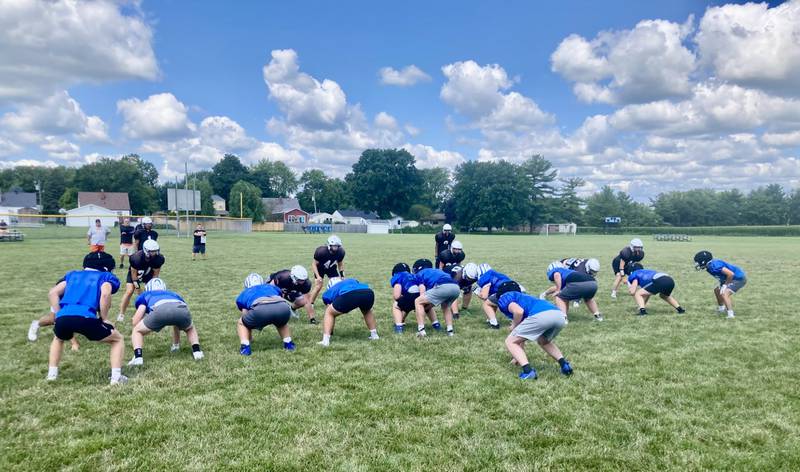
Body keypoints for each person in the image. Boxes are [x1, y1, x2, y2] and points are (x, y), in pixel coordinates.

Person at [45, 251, 127, 385]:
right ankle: (116, 378)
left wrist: (58, 314)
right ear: (106, 267)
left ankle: (52, 375)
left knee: (58, 338)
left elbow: (53, 292)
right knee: (117, 339)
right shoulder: (104, 276)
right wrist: (104, 318)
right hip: (86, 317)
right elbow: (106, 294)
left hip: (64, 317)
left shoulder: (72, 275)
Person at [495, 282, 573, 380]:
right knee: (543, 341)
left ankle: (528, 371)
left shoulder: (505, 297)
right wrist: (517, 357)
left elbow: (518, 311)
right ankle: (565, 365)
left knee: (510, 341)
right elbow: (521, 336)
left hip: (541, 315)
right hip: (559, 315)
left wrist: (513, 325)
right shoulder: (525, 298)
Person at [127, 278, 203, 366]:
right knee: (189, 328)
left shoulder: (145, 294)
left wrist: (141, 327)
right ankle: (196, 352)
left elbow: (136, 320)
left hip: (160, 310)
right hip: (181, 308)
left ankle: (138, 358)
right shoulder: (173, 294)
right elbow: (181, 307)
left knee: (137, 330)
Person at [235, 273, 296, 355]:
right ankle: (288, 343)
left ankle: (245, 347)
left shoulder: (245, 292)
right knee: (281, 322)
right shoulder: (271, 287)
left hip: (260, 308)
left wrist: (249, 337)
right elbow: (280, 296)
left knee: (242, 323)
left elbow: (245, 314)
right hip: (283, 307)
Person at [319, 277, 379, 347]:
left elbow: (330, 309)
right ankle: (374, 335)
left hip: (350, 294)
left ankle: (325, 341)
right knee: (366, 311)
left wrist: (330, 331)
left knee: (329, 312)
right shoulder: (351, 280)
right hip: (368, 292)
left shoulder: (329, 291)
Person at [117, 240, 165, 322]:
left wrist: (150, 287)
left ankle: (150, 312)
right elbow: (134, 275)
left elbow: (155, 275)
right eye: (152, 251)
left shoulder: (159, 258)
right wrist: (138, 288)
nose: (154, 253)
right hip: (136, 274)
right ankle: (121, 313)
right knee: (129, 291)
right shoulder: (136, 258)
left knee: (152, 293)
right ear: (146, 250)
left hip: (149, 274)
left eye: (155, 251)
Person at [694, 251, 746, 319]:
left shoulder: (715, 266)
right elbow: (723, 276)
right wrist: (723, 284)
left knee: (724, 293)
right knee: (717, 290)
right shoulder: (709, 266)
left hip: (738, 278)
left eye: (698, 262)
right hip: (729, 278)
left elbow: (731, 274)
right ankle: (721, 308)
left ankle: (731, 315)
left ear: (704, 261)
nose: (697, 264)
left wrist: (725, 285)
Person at [306, 235, 346, 323]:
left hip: (331, 267)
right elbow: (314, 264)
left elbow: (340, 263)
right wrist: (318, 276)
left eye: (337, 246)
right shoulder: (321, 251)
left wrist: (342, 275)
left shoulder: (341, 252)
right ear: (329, 245)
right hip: (320, 268)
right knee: (318, 285)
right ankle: (311, 303)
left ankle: (335, 302)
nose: (335, 248)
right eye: (334, 246)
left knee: (336, 284)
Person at [413, 264, 461, 337]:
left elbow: (422, 289)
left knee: (418, 301)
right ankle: (450, 331)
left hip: (443, 286)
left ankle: (421, 331)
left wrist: (422, 303)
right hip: (456, 287)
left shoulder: (419, 274)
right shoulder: (436, 271)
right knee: (446, 307)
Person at [390, 262, 438, 333]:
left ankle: (399, 326)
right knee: (428, 307)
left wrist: (401, 298)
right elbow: (422, 286)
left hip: (410, 296)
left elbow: (396, 295)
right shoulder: (414, 276)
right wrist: (422, 297)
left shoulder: (398, 276)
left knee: (396, 306)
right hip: (420, 294)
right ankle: (436, 324)